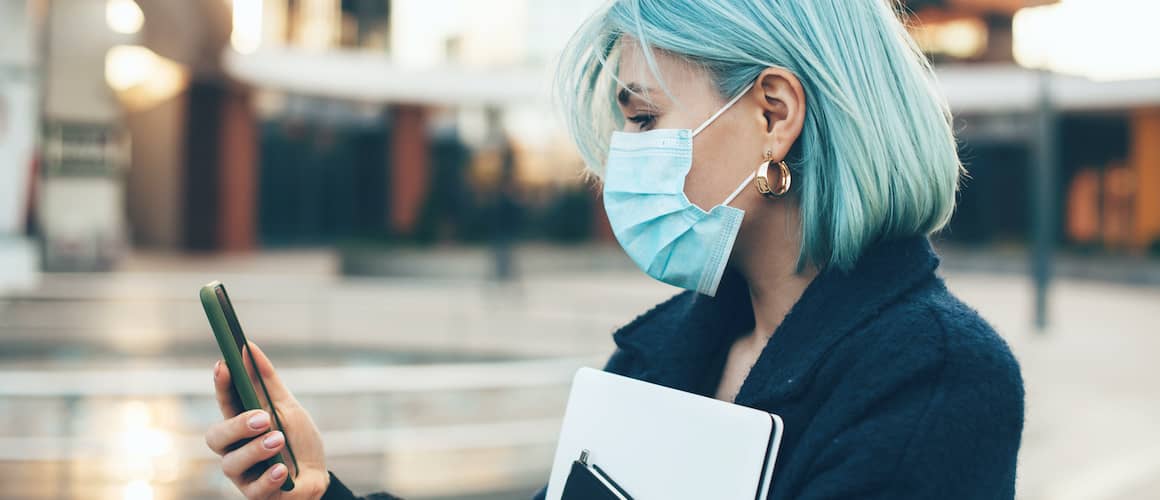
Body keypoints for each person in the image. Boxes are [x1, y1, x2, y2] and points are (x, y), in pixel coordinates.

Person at [204, 0, 1025, 498]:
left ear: (774, 114)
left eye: (641, 119)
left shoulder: (937, 379)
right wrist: (318, 493)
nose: (617, 160)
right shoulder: (671, 345)